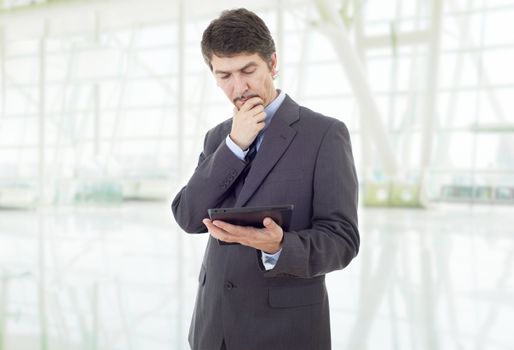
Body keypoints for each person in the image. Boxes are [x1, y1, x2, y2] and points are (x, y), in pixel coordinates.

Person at [172, 8, 359, 350]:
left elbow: (342, 240)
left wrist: (279, 247)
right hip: (214, 330)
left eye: (248, 70)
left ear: (272, 64)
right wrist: (235, 145)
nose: (239, 87)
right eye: (225, 75)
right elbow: (188, 217)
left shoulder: (324, 134)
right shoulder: (219, 138)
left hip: (285, 332)